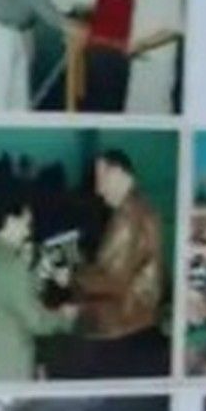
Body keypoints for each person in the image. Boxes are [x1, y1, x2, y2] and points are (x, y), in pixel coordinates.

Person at [0, 196, 78, 382]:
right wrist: (64, 317)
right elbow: (37, 322)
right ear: (10, 221)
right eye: (26, 224)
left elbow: (2, 304)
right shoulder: (12, 265)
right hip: (8, 376)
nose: (27, 232)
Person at [73, 150, 165, 377]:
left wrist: (72, 277)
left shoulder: (128, 215)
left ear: (118, 173)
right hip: (136, 323)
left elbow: (113, 280)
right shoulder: (141, 208)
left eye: (101, 178)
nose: (98, 189)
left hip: (123, 328)